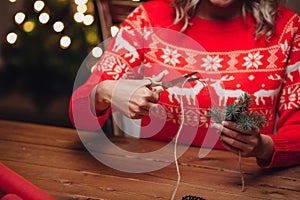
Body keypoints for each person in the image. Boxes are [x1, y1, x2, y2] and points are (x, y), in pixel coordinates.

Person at [69, 0, 300, 168]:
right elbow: (77, 109)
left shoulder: (288, 29)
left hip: (246, 186)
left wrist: (264, 147)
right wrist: (105, 92)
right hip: (157, 179)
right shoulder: (149, 19)